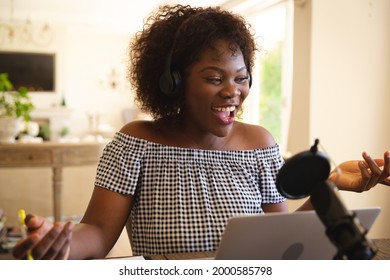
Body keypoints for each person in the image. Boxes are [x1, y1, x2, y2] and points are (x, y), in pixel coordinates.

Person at [12, 4, 390, 260]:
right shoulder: (136, 142)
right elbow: (96, 233)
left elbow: (282, 237)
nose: (233, 91)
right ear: (173, 82)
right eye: (214, 78)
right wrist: (60, 242)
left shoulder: (260, 143)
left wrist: (333, 184)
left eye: (241, 79)